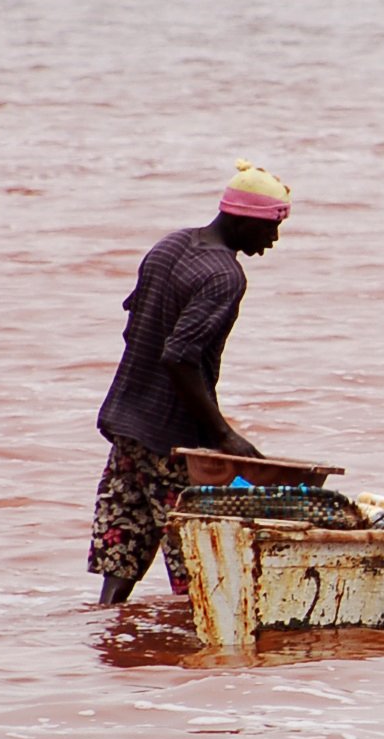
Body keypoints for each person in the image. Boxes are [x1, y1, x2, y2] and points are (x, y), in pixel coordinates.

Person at [88, 160, 291, 605]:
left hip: (127, 420)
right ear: (242, 221)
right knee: (198, 560)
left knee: (126, 540)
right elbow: (180, 357)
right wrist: (221, 435)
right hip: (170, 439)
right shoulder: (224, 275)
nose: (272, 242)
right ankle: (201, 657)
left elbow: (133, 323)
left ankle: (110, 634)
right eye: (270, 230)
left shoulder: (170, 245)